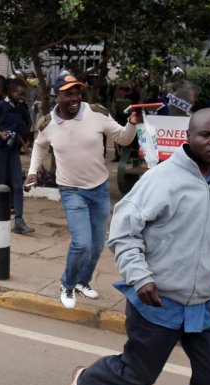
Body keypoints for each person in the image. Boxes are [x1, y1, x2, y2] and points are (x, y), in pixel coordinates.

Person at [62, 109, 210, 385]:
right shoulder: (162, 180)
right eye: (207, 135)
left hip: (205, 302)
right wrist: (140, 277)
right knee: (138, 374)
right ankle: (86, 380)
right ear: (188, 136)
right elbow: (124, 232)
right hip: (157, 299)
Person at [24, 74, 141, 309]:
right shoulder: (49, 124)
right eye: (68, 93)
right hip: (71, 190)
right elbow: (39, 145)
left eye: (77, 92)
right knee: (82, 243)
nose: (74, 97)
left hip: (99, 188)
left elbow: (123, 139)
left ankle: (82, 282)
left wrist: (132, 123)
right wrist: (32, 171)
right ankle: (67, 285)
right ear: (58, 96)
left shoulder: (96, 114)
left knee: (97, 245)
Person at [0, 77, 34, 234]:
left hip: (12, 150)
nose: (22, 97)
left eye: (24, 94)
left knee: (18, 185)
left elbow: (21, 127)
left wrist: (25, 146)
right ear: (11, 92)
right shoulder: (0, 106)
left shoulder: (20, 108)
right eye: (19, 94)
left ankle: (19, 221)